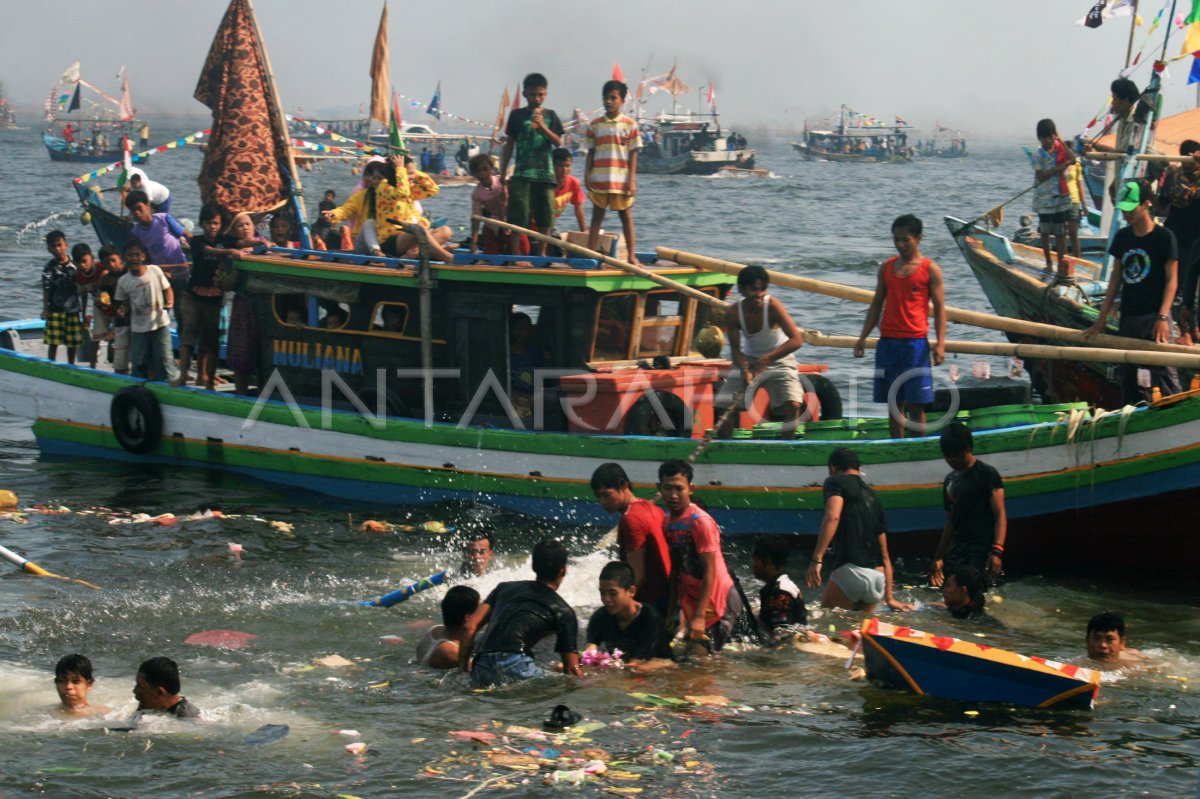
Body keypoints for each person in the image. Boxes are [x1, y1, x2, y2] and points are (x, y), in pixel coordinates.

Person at [1085, 179, 1182, 404]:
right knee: (1130, 377)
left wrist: (1162, 317)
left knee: (1165, 374)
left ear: (1146, 204)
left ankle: (1177, 411)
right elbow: (1115, 280)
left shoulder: (1164, 238)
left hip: (1153, 317)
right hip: (1128, 316)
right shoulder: (1123, 237)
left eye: (1132, 208)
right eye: (1124, 209)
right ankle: (1134, 415)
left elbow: (1172, 281)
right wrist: (1101, 319)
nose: (1127, 214)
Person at [854, 214, 946, 438]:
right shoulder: (886, 268)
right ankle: (897, 445)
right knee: (894, 403)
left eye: (906, 239)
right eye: (896, 240)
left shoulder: (929, 269)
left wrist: (941, 344)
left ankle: (919, 447)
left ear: (918, 239)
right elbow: (876, 304)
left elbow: (941, 310)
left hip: (915, 344)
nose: (900, 244)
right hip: (888, 343)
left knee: (916, 403)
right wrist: (862, 337)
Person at [458, 538, 581, 686]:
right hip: (517, 666)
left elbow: (469, 627)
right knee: (562, 681)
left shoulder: (503, 588)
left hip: (482, 663)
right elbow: (571, 670)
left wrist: (464, 671)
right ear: (564, 570)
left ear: (533, 566)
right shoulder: (564, 611)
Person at [804, 448, 912, 612]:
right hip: (878, 579)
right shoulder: (873, 496)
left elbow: (833, 516)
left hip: (851, 572)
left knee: (827, 632)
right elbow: (885, 554)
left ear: (833, 468)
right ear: (859, 469)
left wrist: (817, 559)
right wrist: (889, 598)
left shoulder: (835, 482)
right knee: (859, 635)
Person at [658, 459, 740, 652]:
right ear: (658, 488)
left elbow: (709, 571)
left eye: (679, 489)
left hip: (719, 599)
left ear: (691, 489)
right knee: (691, 657)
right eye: (667, 488)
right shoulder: (667, 522)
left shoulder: (700, 522)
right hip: (696, 597)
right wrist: (671, 614)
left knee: (705, 660)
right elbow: (676, 570)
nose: (673, 495)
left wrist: (700, 616)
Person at [716, 264, 806, 440]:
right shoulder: (733, 313)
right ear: (741, 290)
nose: (760, 294)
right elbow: (735, 349)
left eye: (763, 289)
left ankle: (785, 446)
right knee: (723, 404)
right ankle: (724, 446)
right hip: (750, 360)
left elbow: (796, 340)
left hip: (779, 358)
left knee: (793, 405)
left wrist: (767, 359)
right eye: (754, 289)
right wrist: (744, 369)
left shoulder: (772, 306)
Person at [321, 156, 453, 261]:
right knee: (418, 230)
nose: (373, 180)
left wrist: (414, 173)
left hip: (408, 234)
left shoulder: (408, 190)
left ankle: (414, 253)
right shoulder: (382, 190)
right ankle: (446, 257)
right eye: (373, 177)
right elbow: (346, 209)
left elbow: (433, 189)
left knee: (446, 231)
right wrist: (334, 214)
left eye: (378, 177)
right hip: (388, 239)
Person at [930, 422, 1006, 587]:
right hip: (957, 551)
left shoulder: (987, 474)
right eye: (946, 456)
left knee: (974, 597)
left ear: (967, 449)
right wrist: (938, 556)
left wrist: (997, 551)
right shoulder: (950, 481)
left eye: (954, 455)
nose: (950, 460)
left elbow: (1000, 515)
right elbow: (950, 521)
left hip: (981, 551)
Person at [590, 462, 670, 611]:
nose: (602, 502)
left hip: (651, 604)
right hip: (668, 597)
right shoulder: (653, 508)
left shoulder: (631, 520)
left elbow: (637, 576)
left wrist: (620, 611)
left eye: (606, 495)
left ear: (623, 485)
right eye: (599, 497)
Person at [500, 73, 564, 257]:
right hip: (522, 173)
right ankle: (515, 255)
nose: (536, 99)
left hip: (545, 173)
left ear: (545, 95)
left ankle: (542, 254)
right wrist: (503, 172)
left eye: (540, 95)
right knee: (518, 216)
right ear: (525, 94)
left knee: (546, 217)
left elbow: (558, 142)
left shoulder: (550, 116)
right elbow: (509, 144)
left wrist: (542, 126)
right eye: (532, 95)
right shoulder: (517, 115)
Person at [175, 205, 236, 389]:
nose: (212, 226)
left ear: (221, 224)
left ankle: (209, 380)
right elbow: (210, 251)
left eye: (216, 223)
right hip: (192, 296)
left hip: (214, 299)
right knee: (188, 337)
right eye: (209, 223)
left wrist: (263, 243)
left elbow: (241, 243)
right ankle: (183, 376)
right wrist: (229, 252)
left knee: (212, 341)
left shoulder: (226, 240)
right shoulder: (197, 241)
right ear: (202, 224)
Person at [585, 80, 641, 264]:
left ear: (622, 101)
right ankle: (591, 255)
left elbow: (633, 155)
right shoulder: (595, 125)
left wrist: (631, 180)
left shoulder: (630, 125)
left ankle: (632, 256)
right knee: (596, 216)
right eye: (606, 98)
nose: (608, 102)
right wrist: (587, 173)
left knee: (626, 216)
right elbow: (591, 152)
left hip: (620, 180)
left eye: (613, 98)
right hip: (600, 178)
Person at [115, 238, 178, 382]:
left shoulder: (154, 271)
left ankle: (171, 386)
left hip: (160, 324)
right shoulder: (124, 281)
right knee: (139, 362)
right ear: (125, 257)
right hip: (139, 329)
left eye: (137, 255)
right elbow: (122, 304)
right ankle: (139, 388)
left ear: (143, 256)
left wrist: (170, 301)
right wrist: (122, 311)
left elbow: (167, 289)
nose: (134, 258)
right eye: (130, 255)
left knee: (165, 359)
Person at [584, 561, 672, 664]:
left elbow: (636, 663)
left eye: (613, 593)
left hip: (657, 668)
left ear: (631, 591)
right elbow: (590, 650)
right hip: (625, 665)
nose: (606, 599)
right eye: (602, 593)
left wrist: (607, 664)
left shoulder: (649, 618)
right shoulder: (600, 617)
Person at [1162, 140, 1200, 340]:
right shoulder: (1175, 176)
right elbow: (1174, 198)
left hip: (1193, 240)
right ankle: (1174, 325)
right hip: (1175, 236)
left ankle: (1187, 330)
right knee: (1173, 283)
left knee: (1187, 286)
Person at [1031, 119, 1075, 276]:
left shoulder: (1059, 150)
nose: (1046, 141)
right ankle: (1049, 263)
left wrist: (1061, 140)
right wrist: (1058, 169)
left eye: (1048, 137)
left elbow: (1073, 159)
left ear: (1053, 136)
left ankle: (1062, 264)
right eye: (1042, 138)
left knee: (1060, 232)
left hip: (1059, 198)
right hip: (1043, 199)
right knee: (1044, 231)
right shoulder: (1037, 154)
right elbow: (1041, 176)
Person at [751, 534, 806, 638]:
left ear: (766, 560)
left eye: (754, 559)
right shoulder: (783, 585)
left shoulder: (779, 593)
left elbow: (781, 635)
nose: (753, 564)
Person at [41, 230, 82, 365]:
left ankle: (71, 365)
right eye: (54, 247)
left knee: (72, 342)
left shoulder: (75, 265)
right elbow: (46, 290)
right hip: (55, 310)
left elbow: (83, 287)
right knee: (54, 342)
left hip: (73, 310)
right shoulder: (49, 268)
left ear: (66, 245)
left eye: (60, 245)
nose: (58, 249)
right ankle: (50, 364)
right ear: (49, 250)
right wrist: (45, 309)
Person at [416, 585, 480, 669]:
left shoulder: (435, 630)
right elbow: (483, 673)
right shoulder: (450, 651)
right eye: (480, 610)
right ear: (468, 617)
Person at [124, 191, 188, 269]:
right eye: (133, 210)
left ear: (148, 205)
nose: (137, 212)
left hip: (181, 268)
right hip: (160, 272)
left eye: (139, 208)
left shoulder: (164, 219)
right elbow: (143, 258)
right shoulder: (136, 232)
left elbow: (186, 234)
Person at [95, 245, 130, 373]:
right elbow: (105, 303)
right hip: (119, 322)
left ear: (119, 257)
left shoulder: (130, 272)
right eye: (107, 263)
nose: (111, 264)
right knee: (118, 360)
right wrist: (101, 301)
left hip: (137, 320)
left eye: (113, 260)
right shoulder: (106, 280)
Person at [72, 242, 106, 368]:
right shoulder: (79, 276)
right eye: (79, 263)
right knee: (96, 337)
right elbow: (84, 295)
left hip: (113, 304)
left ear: (92, 258)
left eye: (84, 261)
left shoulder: (102, 267)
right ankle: (93, 366)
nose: (82, 265)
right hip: (98, 306)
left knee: (115, 335)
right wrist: (84, 315)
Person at [467, 152, 509, 255]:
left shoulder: (502, 181)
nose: (482, 173)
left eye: (485, 169)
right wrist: (473, 243)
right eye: (478, 171)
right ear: (473, 174)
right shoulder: (477, 193)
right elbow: (476, 218)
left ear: (492, 169)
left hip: (511, 222)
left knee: (520, 246)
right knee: (490, 249)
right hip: (493, 225)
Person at [133, 656, 200, 719]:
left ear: (160, 692)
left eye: (141, 687)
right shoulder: (148, 706)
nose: (135, 691)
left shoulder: (187, 718)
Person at [552, 147, 586, 233]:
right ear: (552, 166)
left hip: (550, 226)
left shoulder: (573, 183)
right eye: (560, 166)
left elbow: (578, 209)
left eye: (567, 166)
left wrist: (584, 232)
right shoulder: (546, 184)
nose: (564, 169)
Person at [1065, 157, 1090, 260]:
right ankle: (1063, 258)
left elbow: (1080, 185)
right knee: (1061, 233)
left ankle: (1077, 259)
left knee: (1073, 232)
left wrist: (1084, 204)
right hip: (1059, 201)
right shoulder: (1058, 163)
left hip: (1074, 201)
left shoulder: (1077, 165)